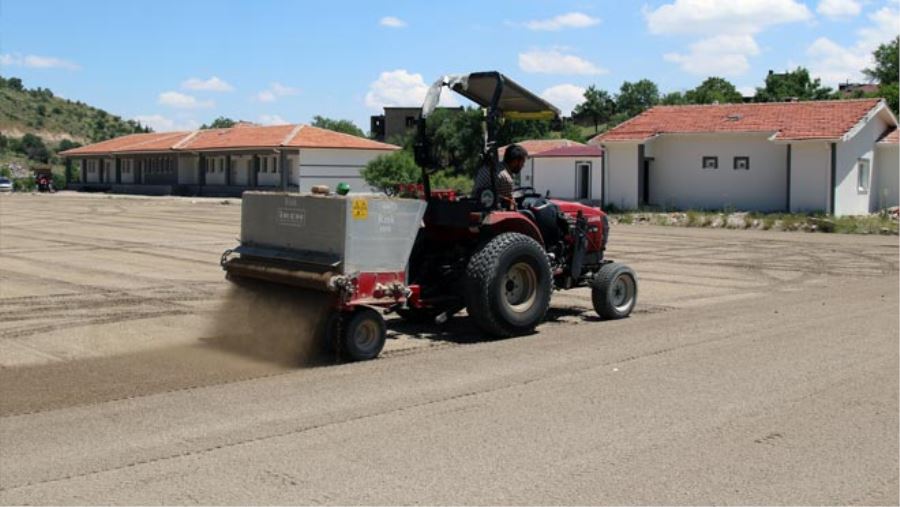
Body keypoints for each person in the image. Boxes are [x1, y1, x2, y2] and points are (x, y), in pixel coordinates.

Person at [472, 144, 528, 209]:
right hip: (490, 210)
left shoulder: (486, 168)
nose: (523, 166)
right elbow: (510, 205)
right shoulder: (505, 177)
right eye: (522, 162)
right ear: (515, 161)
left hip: (474, 206)